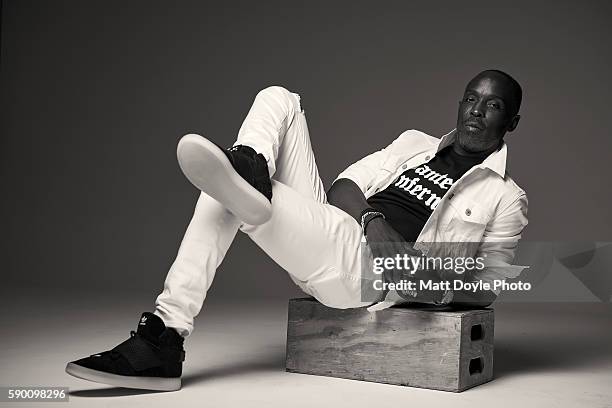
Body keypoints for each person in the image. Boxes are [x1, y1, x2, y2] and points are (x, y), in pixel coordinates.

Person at [65, 69, 528, 391]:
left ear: (511, 122)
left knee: (226, 185)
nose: (475, 111)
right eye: (471, 99)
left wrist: (406, 264)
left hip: (368, 275)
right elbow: (345, 185)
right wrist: (373, 221)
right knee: (279, 99)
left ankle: (164, 335)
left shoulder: (505, 196)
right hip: (332, 228)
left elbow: (490, 284)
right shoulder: (415, 143)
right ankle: (251, 165)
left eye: (492, 106)